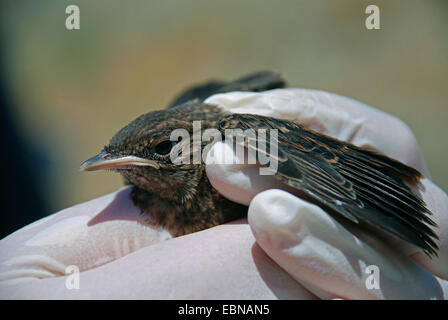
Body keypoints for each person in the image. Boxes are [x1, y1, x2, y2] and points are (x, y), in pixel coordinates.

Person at [0, 89, 447, 299]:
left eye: (163, 151)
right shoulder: (146, 190)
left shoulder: (238, 137)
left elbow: (352, 183)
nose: (123, 172)